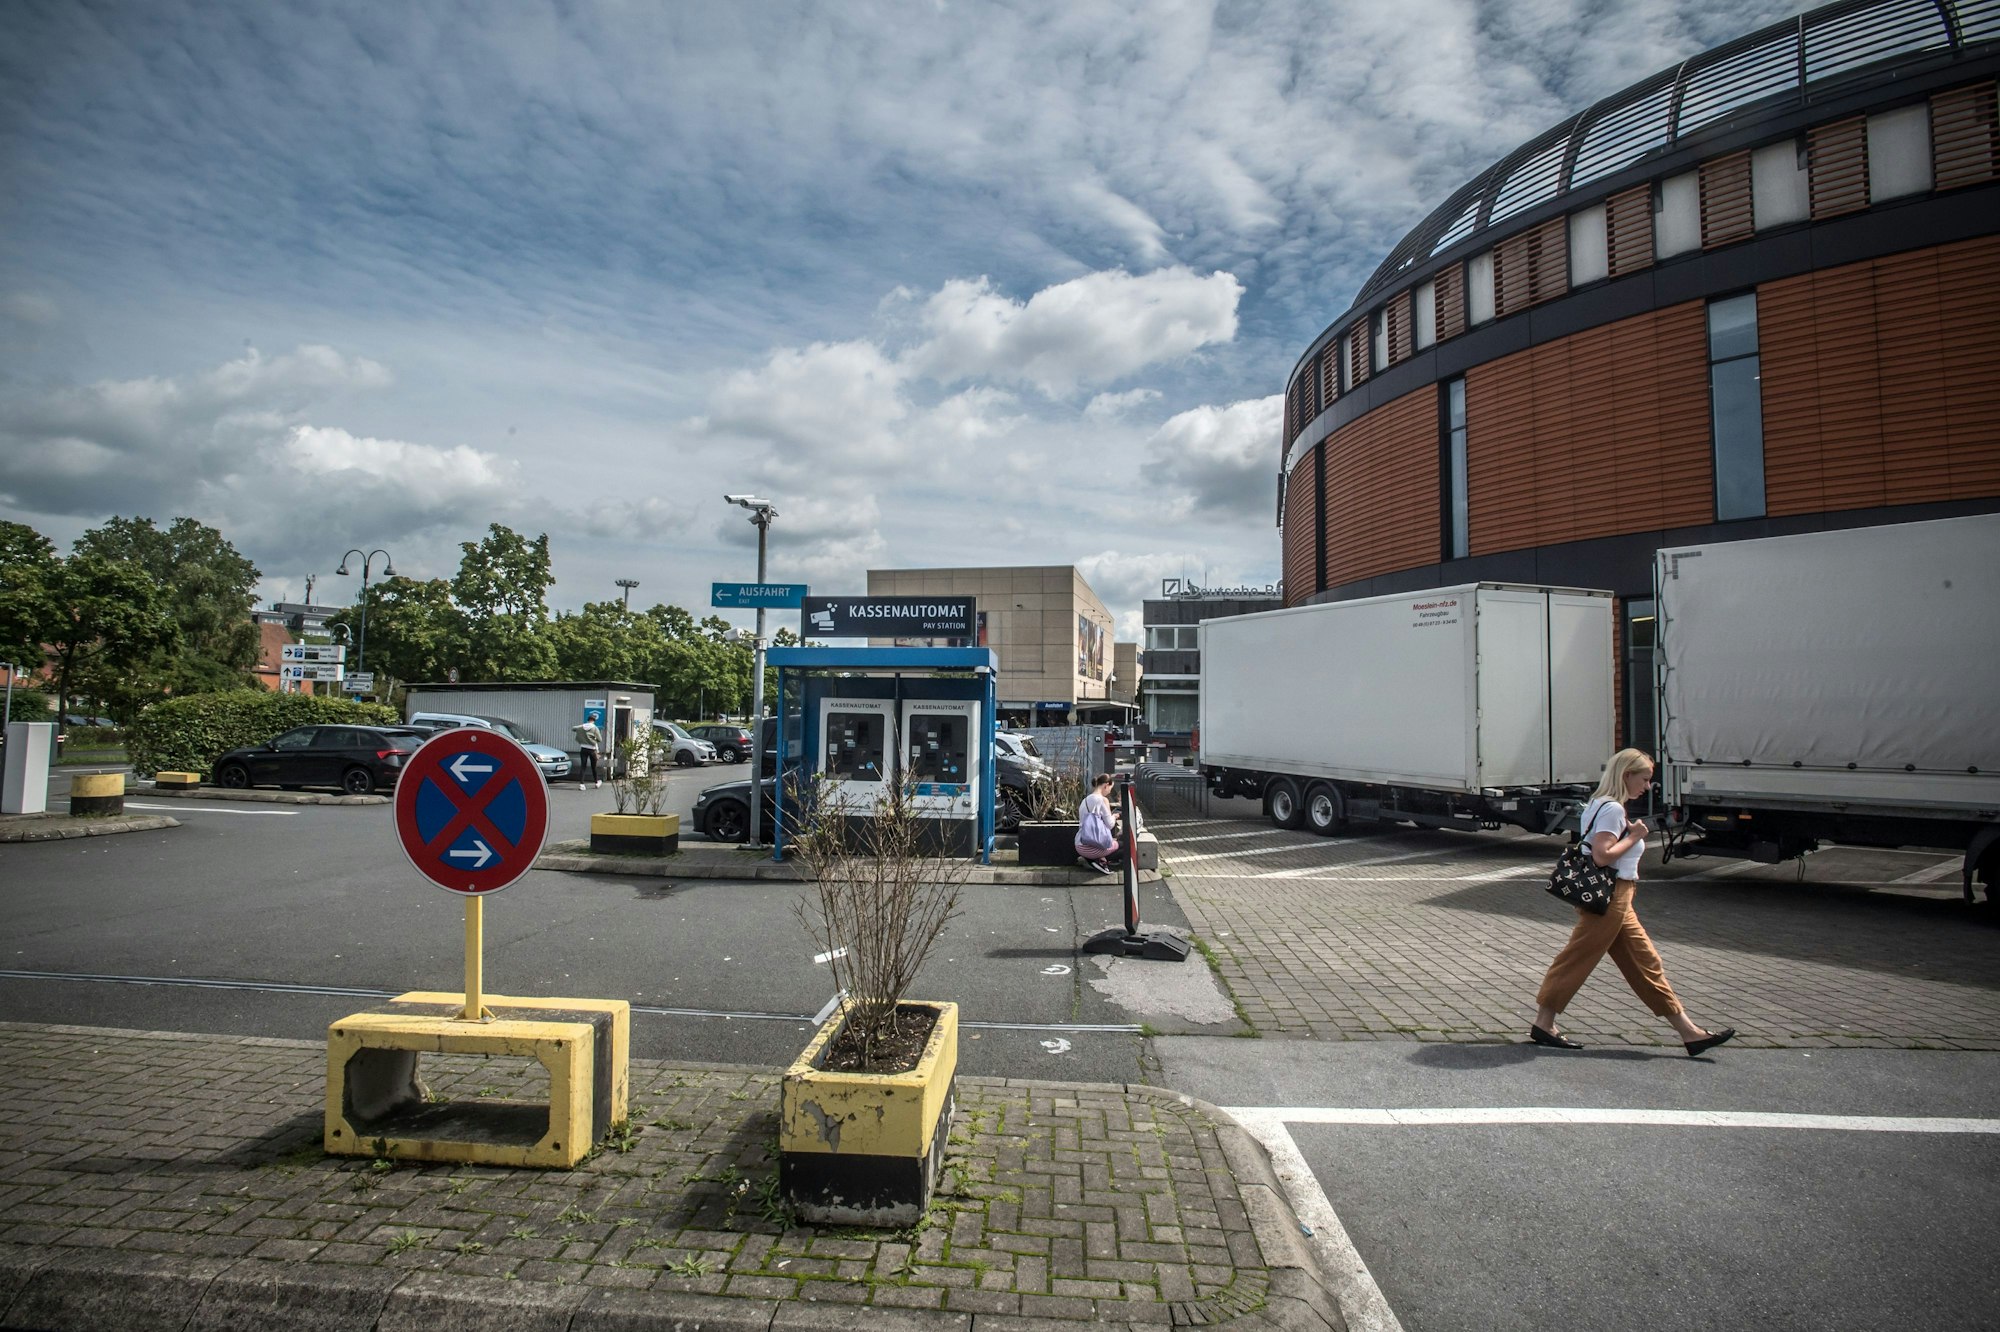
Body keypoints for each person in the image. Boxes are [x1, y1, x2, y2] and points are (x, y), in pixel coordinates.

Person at [1531, 748, 1736, 1057]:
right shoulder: (1613, 809)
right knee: (1577, 957)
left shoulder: (1597, 805)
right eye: (1645, 778)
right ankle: (1544, 1024)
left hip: (1617, 898)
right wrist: (1636, 835)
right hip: (1612, 896)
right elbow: (1602, 855)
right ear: (1626, 775)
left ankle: (1689, 1033)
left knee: (1645, 963)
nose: (1648, 785)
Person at [1074, 772, 1122, 875]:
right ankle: (1098, 861)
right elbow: (1110, 824)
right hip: (1091, 848)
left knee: (1110, 841)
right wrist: (1114, 816)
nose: (1109, 792)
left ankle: (1091, 859)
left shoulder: (1085, 800)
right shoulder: (1103, 800)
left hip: (1079, 845)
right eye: (1110, 788)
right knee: (1123, 844)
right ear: (1106, 785)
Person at [572, 716, 603, 789]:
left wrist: (581, 728)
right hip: (592, 749)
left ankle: (582, 784)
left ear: (588, 720)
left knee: (583, 766)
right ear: (594, 720)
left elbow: (573, 728)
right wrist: (594, 739)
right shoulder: (595, 728)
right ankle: (596, 782)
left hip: (583, 748)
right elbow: (600, 739)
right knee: (593, 766)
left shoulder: (582, 727)